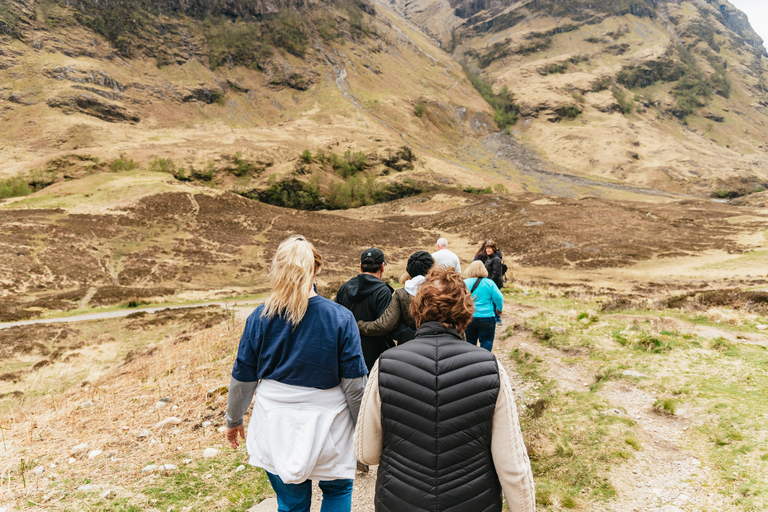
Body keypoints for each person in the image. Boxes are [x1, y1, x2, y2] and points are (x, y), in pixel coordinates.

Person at [354, 266, 536, 512]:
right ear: (465, 312)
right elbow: (513, 465)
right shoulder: (490, 368)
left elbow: (367, 453)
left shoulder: (386, 365)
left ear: (417, 309)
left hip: (400, 501)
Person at [225, 235, 368, 512]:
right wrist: (362, 431)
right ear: (316, 268)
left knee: (292, 503)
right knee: (337, 489)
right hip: (330, 423)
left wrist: (233, 419)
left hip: (275, 421)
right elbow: (354, 385)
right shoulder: (340, 317)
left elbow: (243, 377)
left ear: (278, 268)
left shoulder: (259, 317)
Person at [335, 247, 408, 370]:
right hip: (376, 358)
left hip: (348, 354)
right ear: (382, 267)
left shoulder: (344, 288)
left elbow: (336, 320)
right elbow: (387, 327)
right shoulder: (383, 292)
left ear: (360, 267)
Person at [356, 251, 434, 343]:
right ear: (432, 270)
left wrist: (359, 325)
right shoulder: (444, 291)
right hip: (441, 345)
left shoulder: (401, 294)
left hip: (409, 347)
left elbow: (385, 325)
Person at [463, 260, 503, 352]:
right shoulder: (489, 283)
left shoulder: (464, 283)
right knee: (487, 340)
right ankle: (485, 361)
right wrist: (499, 309)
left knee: (469, 342)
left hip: (469, 317)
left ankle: (471, 362)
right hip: (487, 317)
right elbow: (499, 297)